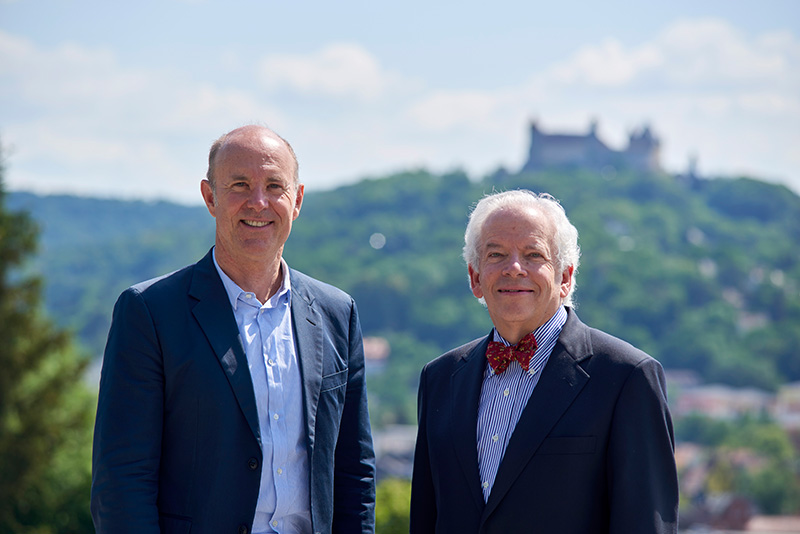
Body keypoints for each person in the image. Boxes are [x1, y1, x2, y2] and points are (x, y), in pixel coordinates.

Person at [91, 125, 376, 534]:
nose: (258, 202)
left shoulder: (337, 313)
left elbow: (354, 472)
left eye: (274, 186)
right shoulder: (150, 313)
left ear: (296, 201)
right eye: (240, 185)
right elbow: (122, 481)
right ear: (211, 197)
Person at [410, 190, 679, 533]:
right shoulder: (440, 379)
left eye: (533, 254)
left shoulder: (626, 378)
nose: (514, 268)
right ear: (475, 278)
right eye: (497, 254)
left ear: (565, 277)